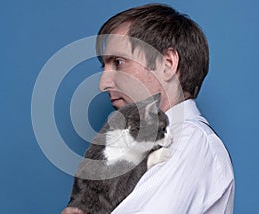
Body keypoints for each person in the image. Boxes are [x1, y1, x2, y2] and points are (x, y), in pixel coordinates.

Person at [62, 3, 234, 214]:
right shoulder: (146, 144)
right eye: (104, 66)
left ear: (168, 63)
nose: (103, 84)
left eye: (118, 62)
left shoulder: (186, 140)